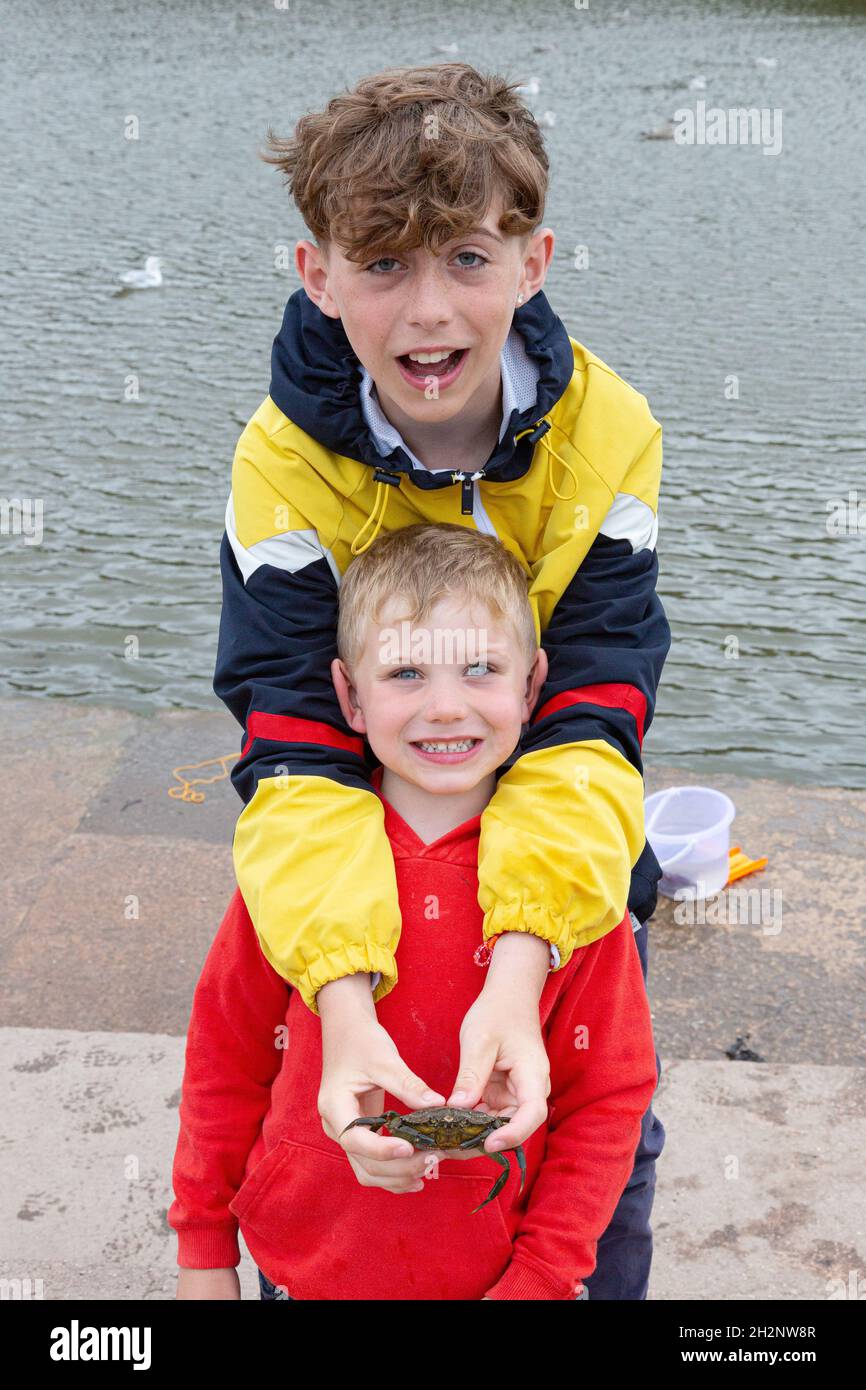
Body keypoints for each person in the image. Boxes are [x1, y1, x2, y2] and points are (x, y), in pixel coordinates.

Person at [212, 63, 671, 1296]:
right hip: (354, 906)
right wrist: (345, 1005)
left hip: (566, 910)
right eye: (381, 267)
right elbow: (294, 747)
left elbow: (590, 720)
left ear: (534, 260)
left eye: (468, 259)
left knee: (594, 1157)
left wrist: (521, 969)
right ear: (315, 275)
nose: (427, 312)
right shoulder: (279, 462)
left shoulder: (612, 430)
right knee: (340, 1168)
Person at [171, 525, 659, 1300]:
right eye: (404, 671)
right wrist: (204, 1251)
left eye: (480, 669)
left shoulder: (573, 883)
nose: (445, 707)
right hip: (301, 1267)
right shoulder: (296, 869)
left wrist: (542, 1276)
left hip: (498, 1277)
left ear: (532, 688)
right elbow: (225, 1063)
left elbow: (606, 1100)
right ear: (349, 697)